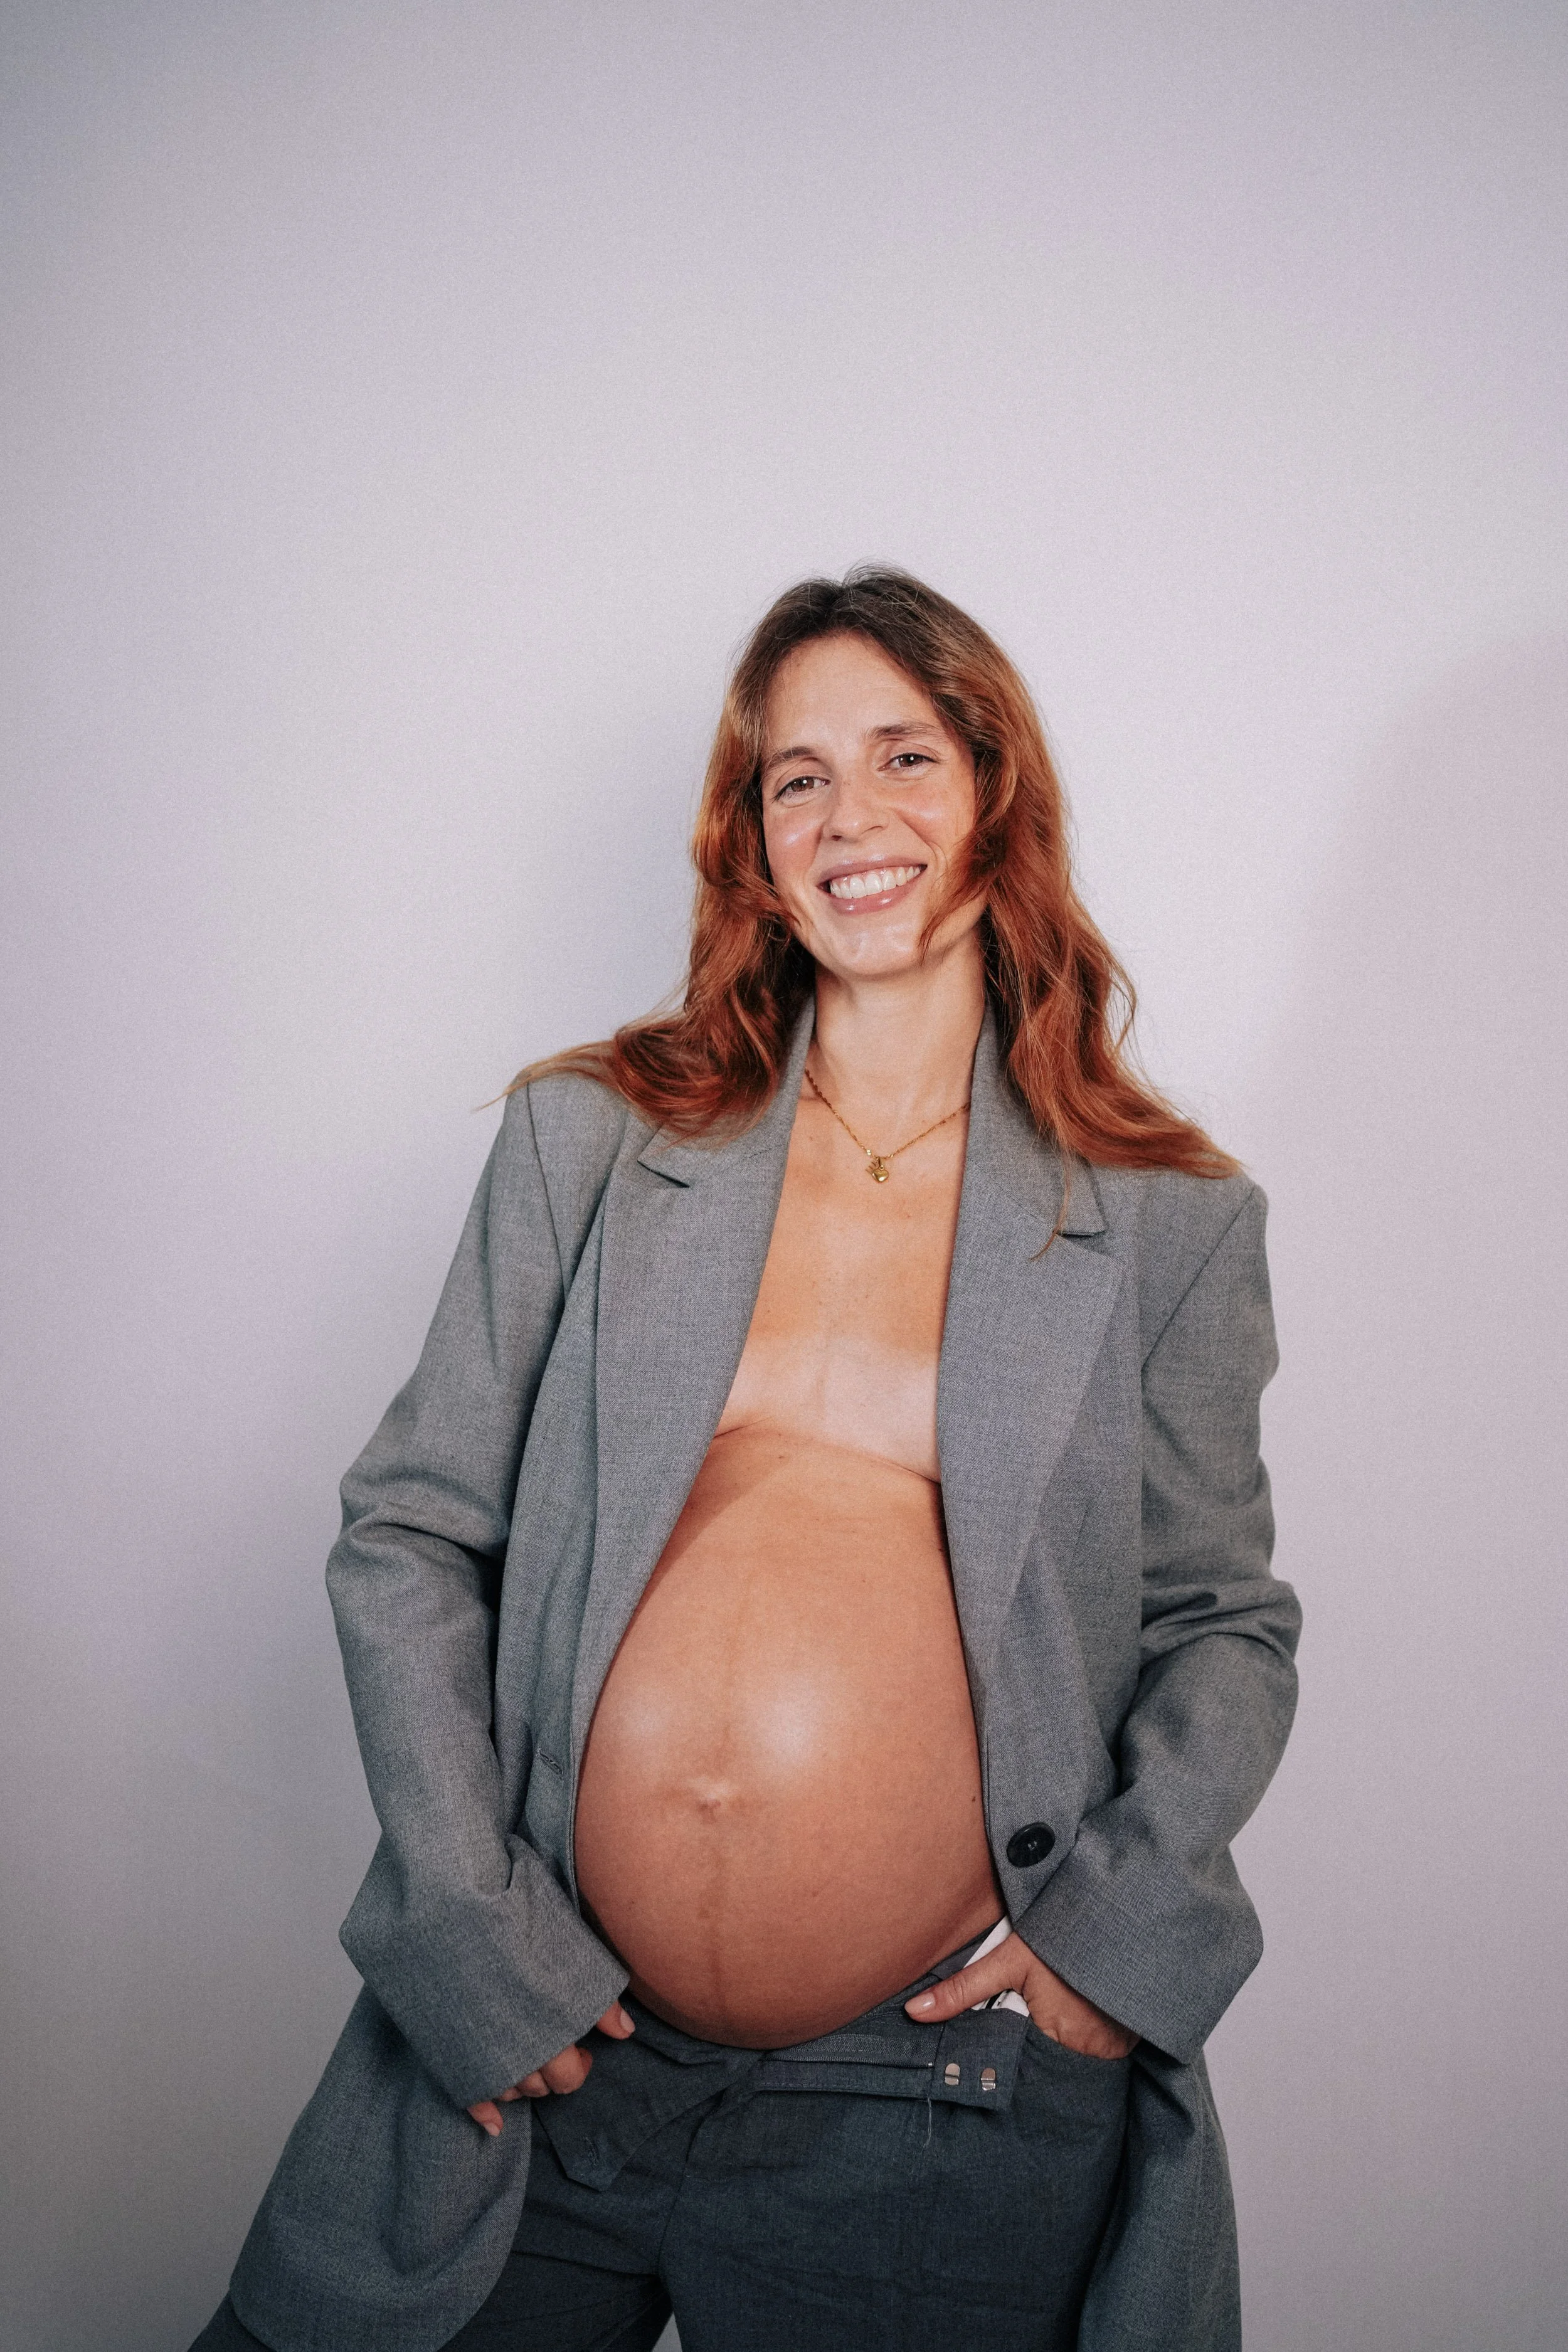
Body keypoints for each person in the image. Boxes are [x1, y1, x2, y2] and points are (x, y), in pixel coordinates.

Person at [193, 569, 1300, 2352]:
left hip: (926, 2102)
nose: (848, 817)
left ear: (995, 792)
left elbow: (1221, 1623)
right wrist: (468, 1936)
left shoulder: (1166, 1220)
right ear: (750, 838)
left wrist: (1112, 1944)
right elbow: (406, 1533)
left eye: (901, 756)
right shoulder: (596, 1140)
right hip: (544, 2037)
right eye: (795, 777)